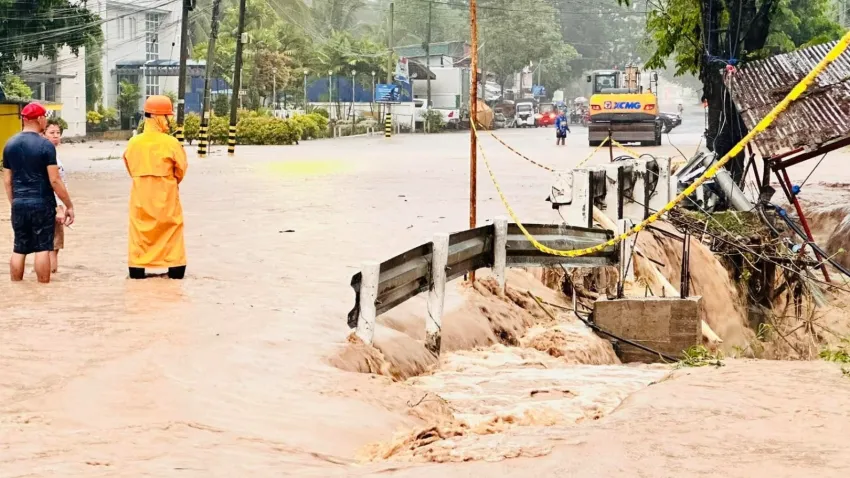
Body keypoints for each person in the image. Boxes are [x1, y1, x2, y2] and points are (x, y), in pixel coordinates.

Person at [2, 102, 75, 283]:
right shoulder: (45, 146)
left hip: (19, 203)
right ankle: (43, 288)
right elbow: (55, 180)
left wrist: (14, 202)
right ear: (40, 119)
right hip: (42, 203)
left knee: (19, 248)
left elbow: (7, 181)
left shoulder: (9, 145)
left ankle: (16, 286)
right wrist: (68, 205)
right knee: (42, 248)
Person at [123, 95, 188, 280]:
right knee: (172, 231)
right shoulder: (171, 143)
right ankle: (174, 268)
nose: (169, 121)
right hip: (167, 198)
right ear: (158, 117)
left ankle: (138, 268)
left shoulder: (133, 143)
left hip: (140, 199)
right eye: (167, 116)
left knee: (140, 234)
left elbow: (129, 167)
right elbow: (181, 170)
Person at [44, 119, 66, 273]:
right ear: (43, 134)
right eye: (52, 133)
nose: (56, 136)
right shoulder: (49, 156)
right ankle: (51, 273)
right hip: (52, 205)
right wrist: (60, 208)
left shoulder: (52, 155)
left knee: (48, 245)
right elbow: (53, 183)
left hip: (50, 203)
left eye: (58, 133)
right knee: (53, 244)